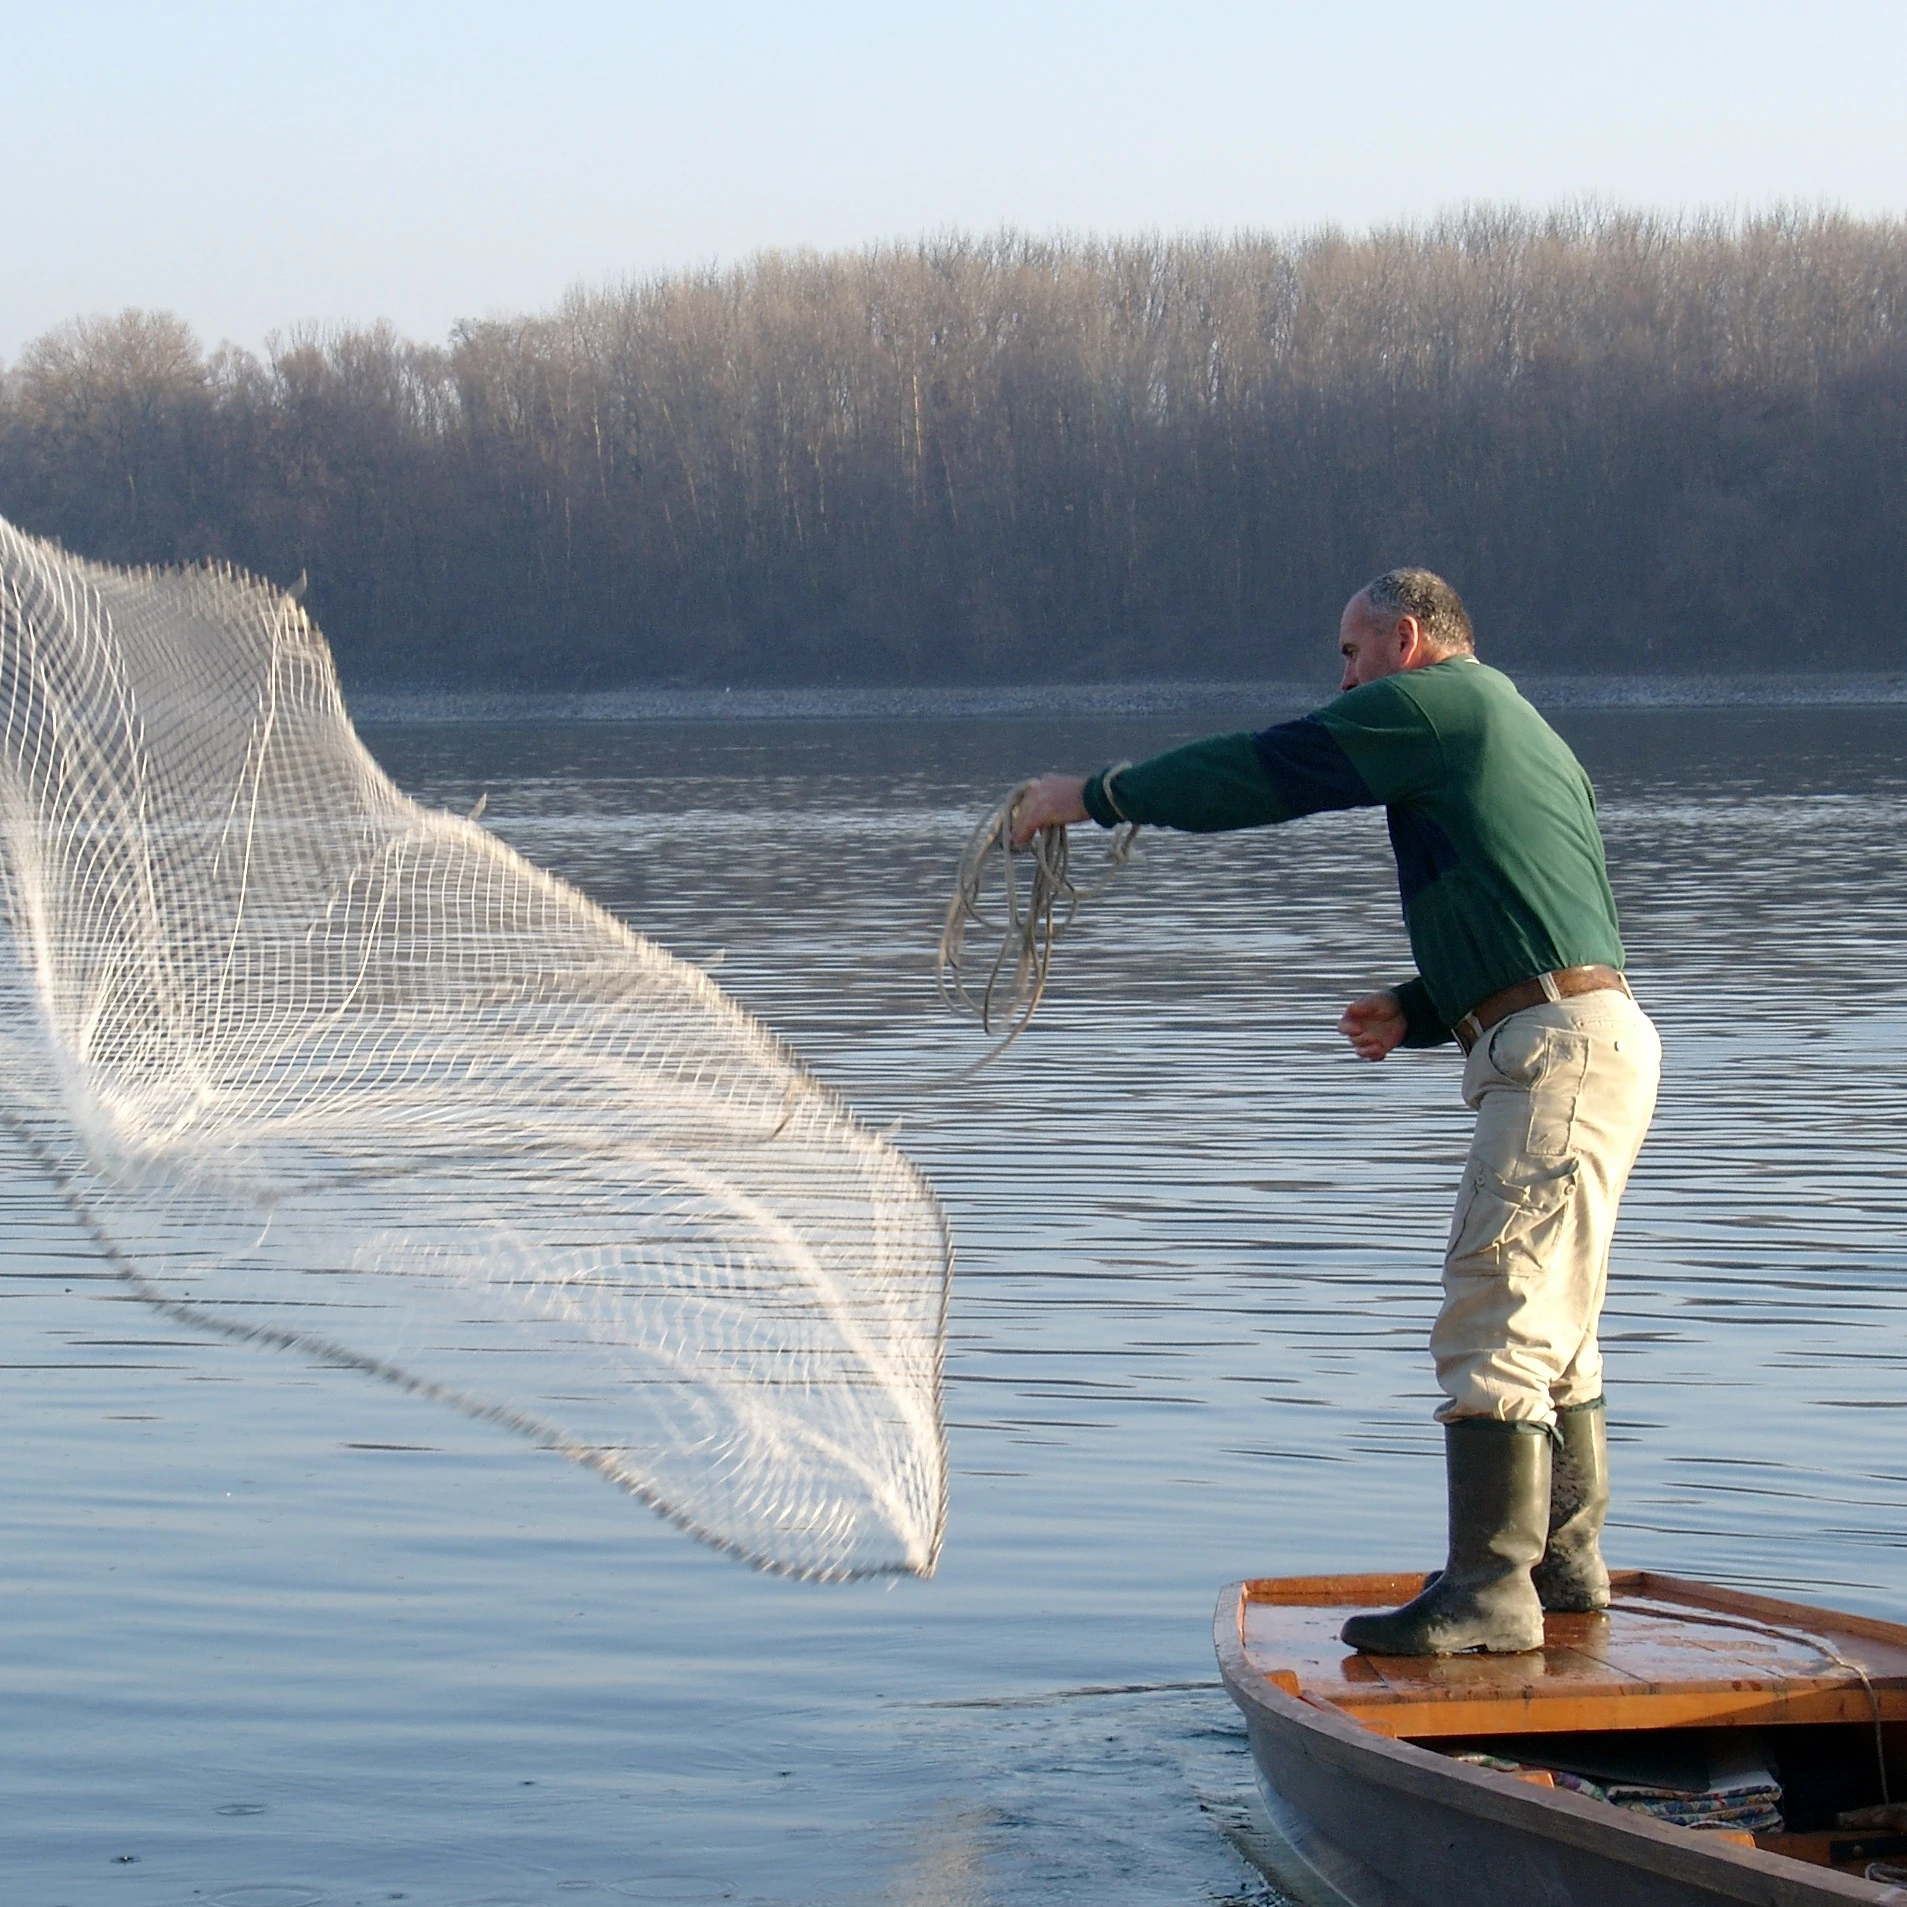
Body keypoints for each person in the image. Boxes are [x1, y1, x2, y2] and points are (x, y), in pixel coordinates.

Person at [1010, 569, 1660, 1655]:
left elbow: (1265, 769)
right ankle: (1558, 1569)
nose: (1343, 680)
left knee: (1491, 1310)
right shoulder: (1510, 721)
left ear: (1405, 638)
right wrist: (1417, 1009)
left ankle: (1490, 1594)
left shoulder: (1431, 702)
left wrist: (1096, 791)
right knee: (1555, 1327)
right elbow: (1538, 912)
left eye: (1350, 655)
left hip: (1552, 1051)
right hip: (1592, 1035)